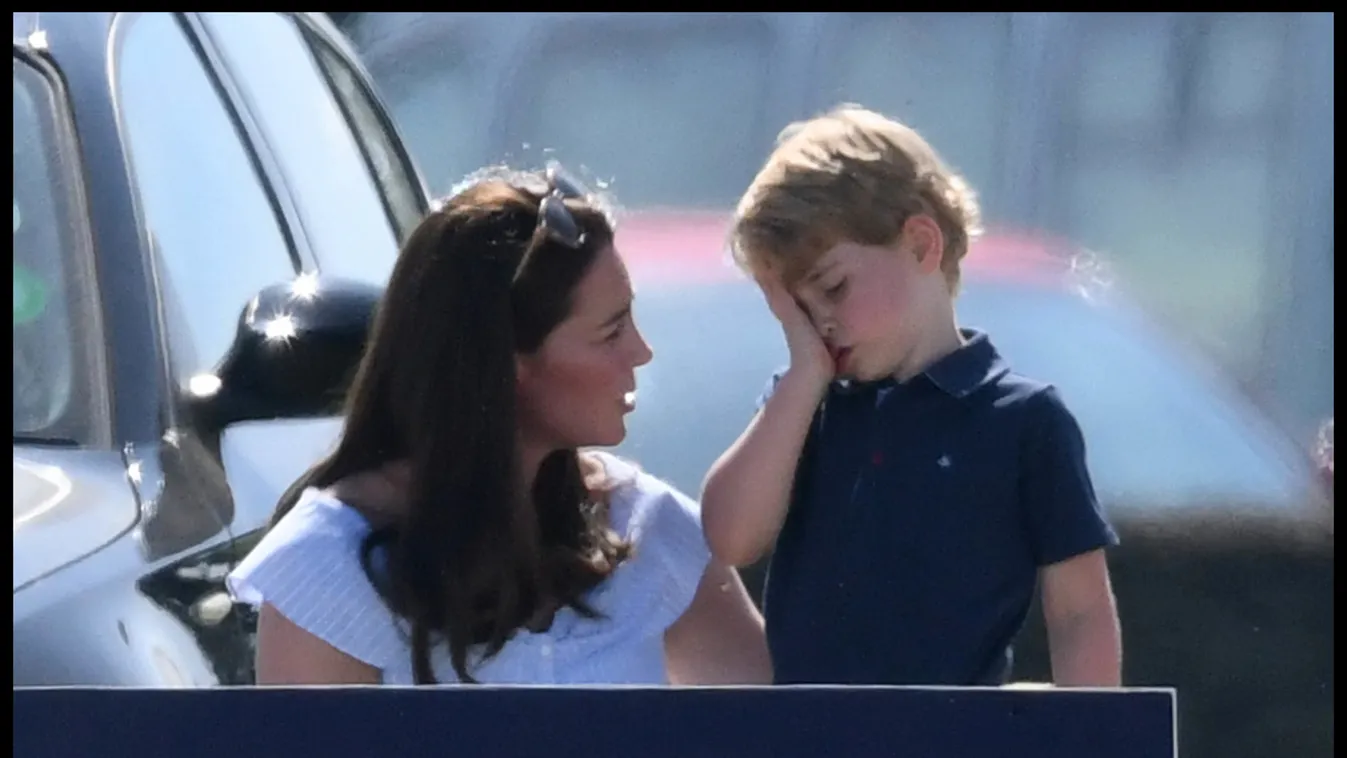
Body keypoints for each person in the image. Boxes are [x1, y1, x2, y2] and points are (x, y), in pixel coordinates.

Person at [227, 165, 771, 686]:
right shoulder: (323, 570)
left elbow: (785, 726)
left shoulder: (644, 527)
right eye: (610, 333)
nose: (642, 352)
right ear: (505, 364)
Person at [700, 105, 1122, 688]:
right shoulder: (804, 409)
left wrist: (1087, 736)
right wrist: (801, 377)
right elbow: (730, 537)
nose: (819, 322)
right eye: (797, 308)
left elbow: (1079, 611)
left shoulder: (1024, 421)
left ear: (922, 243)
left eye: (832, 287)